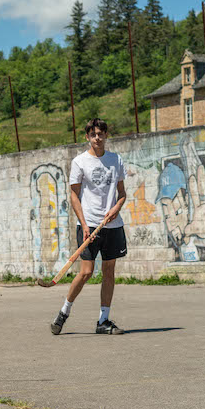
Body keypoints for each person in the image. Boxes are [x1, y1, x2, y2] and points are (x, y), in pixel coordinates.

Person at [50, 118, 127, 336]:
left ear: (106, 135)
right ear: (87, 137)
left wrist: (116, 209)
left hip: (112, 225)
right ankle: (63, 312)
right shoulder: (80, 162)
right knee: (86, 272)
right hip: (89, 225)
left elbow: (122, 194)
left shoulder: (116, 160)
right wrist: (83, 223)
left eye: (101, 134)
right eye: (93, 134)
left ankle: (103, 320)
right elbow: (74, 194)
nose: (97, 138)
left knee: (109, 271)